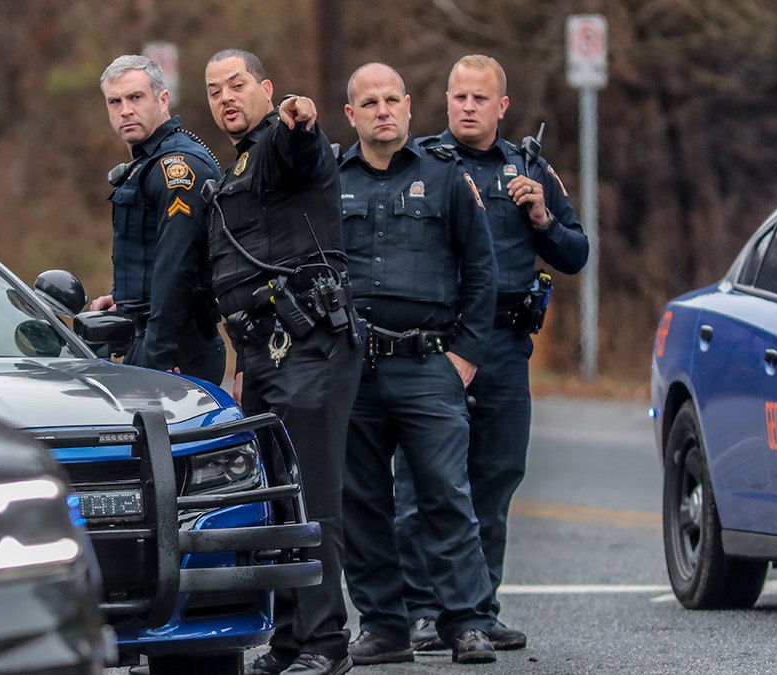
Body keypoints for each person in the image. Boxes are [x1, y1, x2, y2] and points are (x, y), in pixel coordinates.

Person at [397, 53, 590, 653]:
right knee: (423, 482)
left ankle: (476, 610)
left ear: (502, 106)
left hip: (506, 344)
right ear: (446, 100)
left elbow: (577, 252)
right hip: (438, 345)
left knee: (495, 479)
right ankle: (424, 612)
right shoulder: (419, 165)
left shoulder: (529, 168)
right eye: (459, 97)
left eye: (481, 99)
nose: (468, 108)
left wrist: (541, 218)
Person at [204, 48, 362, 675]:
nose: (225, 98)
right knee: (278, 500)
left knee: (313, 499)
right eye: (214, 91)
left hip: (311, 345)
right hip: (263, 353)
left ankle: (327, 644)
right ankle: (292, 641)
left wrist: (302, 121)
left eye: (237, 85)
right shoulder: (233, 168)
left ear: (266, 89)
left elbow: (303, 150)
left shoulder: (280, 144)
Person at [337, 63, 499, 667]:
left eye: (391, 100)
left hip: (431, 363)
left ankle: (467, 622)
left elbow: (482, 269)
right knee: (364, 501)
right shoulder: (332, 180)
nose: (382, 110)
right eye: (368, 102)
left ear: (408, 106)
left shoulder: (447, 179)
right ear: (351, 115)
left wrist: (465, 355)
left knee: (445, 495)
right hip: (354, 367)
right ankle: (384, 625)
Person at [91, 54, 226, 384]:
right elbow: (148, 247)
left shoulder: (175, 166)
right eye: (115, 101)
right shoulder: (148, 162)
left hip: (178, 347)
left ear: (162, 99)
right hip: (151, 336)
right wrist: (123, 296)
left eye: (135, 97)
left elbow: (176, 263)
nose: (125, 110)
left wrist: (159, 355)